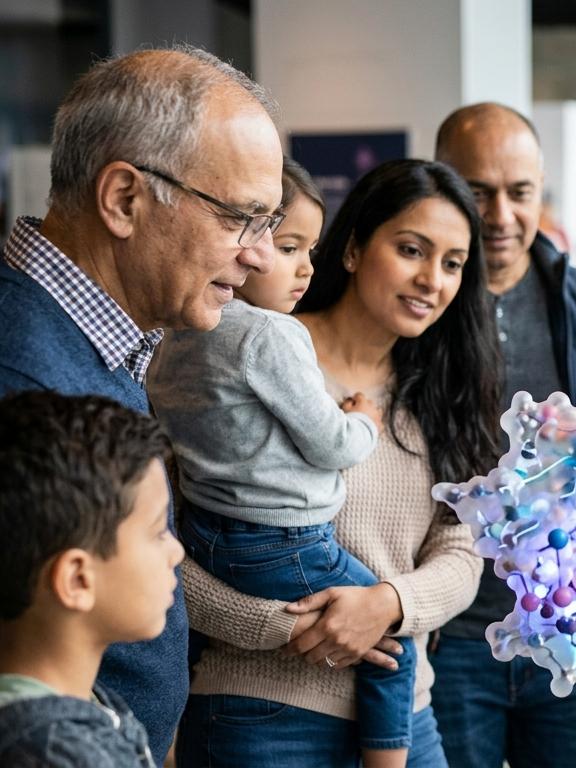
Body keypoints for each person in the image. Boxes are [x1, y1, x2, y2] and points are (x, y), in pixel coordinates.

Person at [0, 45, 282, 762]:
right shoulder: (21, 374)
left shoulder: (93, 344)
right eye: (239, 218)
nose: (259, 256)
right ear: (125, 199)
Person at [174, 159, 495, 767]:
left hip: (406, 722)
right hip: (259, 712)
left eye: (452, 264)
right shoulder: (250, 356)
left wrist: (387, 606)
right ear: (351, 250)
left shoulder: (443, 391)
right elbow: (169, 544)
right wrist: (285, 627)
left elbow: (461, 551)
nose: (431, 279)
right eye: (410, 249)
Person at [148, 159, 416, 768]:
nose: (305, 268)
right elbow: (332, 445)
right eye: (287, 246)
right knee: (396, 651)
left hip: (204, 534)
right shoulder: (271, 334)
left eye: (310, 250)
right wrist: (363, 422)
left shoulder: (178, 332)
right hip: (286, 544)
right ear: (244, 245)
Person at [429, 102, 576, 768]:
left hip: (561, 626)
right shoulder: (418, 308)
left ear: (540, 193)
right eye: (475, 191)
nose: (499, 215)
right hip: (450, 633)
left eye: (518, 192)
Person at [0, 392, 185, 767]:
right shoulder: (52, 753)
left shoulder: (85, 704)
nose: (177, 553)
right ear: (77, 580)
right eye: (157, 533)